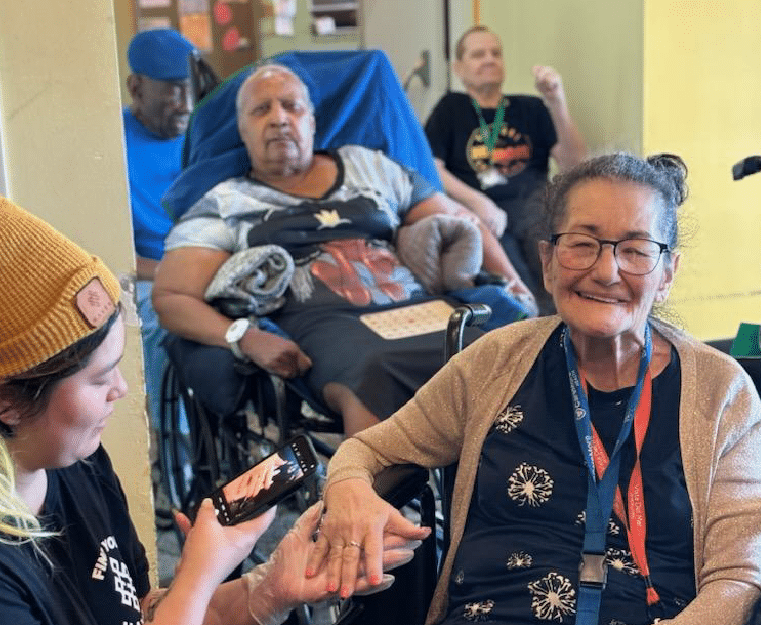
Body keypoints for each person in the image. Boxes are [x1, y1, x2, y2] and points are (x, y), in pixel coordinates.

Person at [312, 153, 761, 625]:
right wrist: (350, 489)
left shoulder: (721, 393)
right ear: (548, 258)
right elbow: (369, 450)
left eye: (635, 250)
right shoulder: (496, 362)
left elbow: (739, 577)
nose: (607, 270)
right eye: (583, 245)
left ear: (667, 271)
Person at [0, 197, 428, 625]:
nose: (121, 390)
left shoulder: (75, 462)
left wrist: (267, 589)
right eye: (99, 378)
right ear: (9, 401)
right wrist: (202, 569)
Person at [153, 63, 537, 437]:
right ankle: (367, 495)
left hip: (420, 308)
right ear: (242, 128)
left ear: (312, 121)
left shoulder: (367, 166)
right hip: (325, 329)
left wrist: (516, 284)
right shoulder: (226, 202)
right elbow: (171, 297)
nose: (279, 118)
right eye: (261, 109)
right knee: (374, 369)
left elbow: (462, 219)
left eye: (292, 106)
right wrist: (244, 337)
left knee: (508, 348)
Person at [425, 25, 587, 313]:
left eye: (495, 53)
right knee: (516, 284)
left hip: (535, 206)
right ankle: (533, 332)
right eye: (478, 54)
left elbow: (574, 163)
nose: (489, 59)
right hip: (482, 213)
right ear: (459, 68)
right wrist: (478, 202)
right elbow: (431, 167)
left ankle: (568, 331)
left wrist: (556, 100)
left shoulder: (531, 108)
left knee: (557, 269)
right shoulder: (451, 108)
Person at [123, 28, 195, 431]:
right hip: (146, 272)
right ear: (137, 87)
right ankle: (180, 468)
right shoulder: (111, 143)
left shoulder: (201, 136)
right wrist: (168, 273)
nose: (185, 105)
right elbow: (108, 247)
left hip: (206, 263)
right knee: (160, 321)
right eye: (172, 92)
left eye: (190, 90)